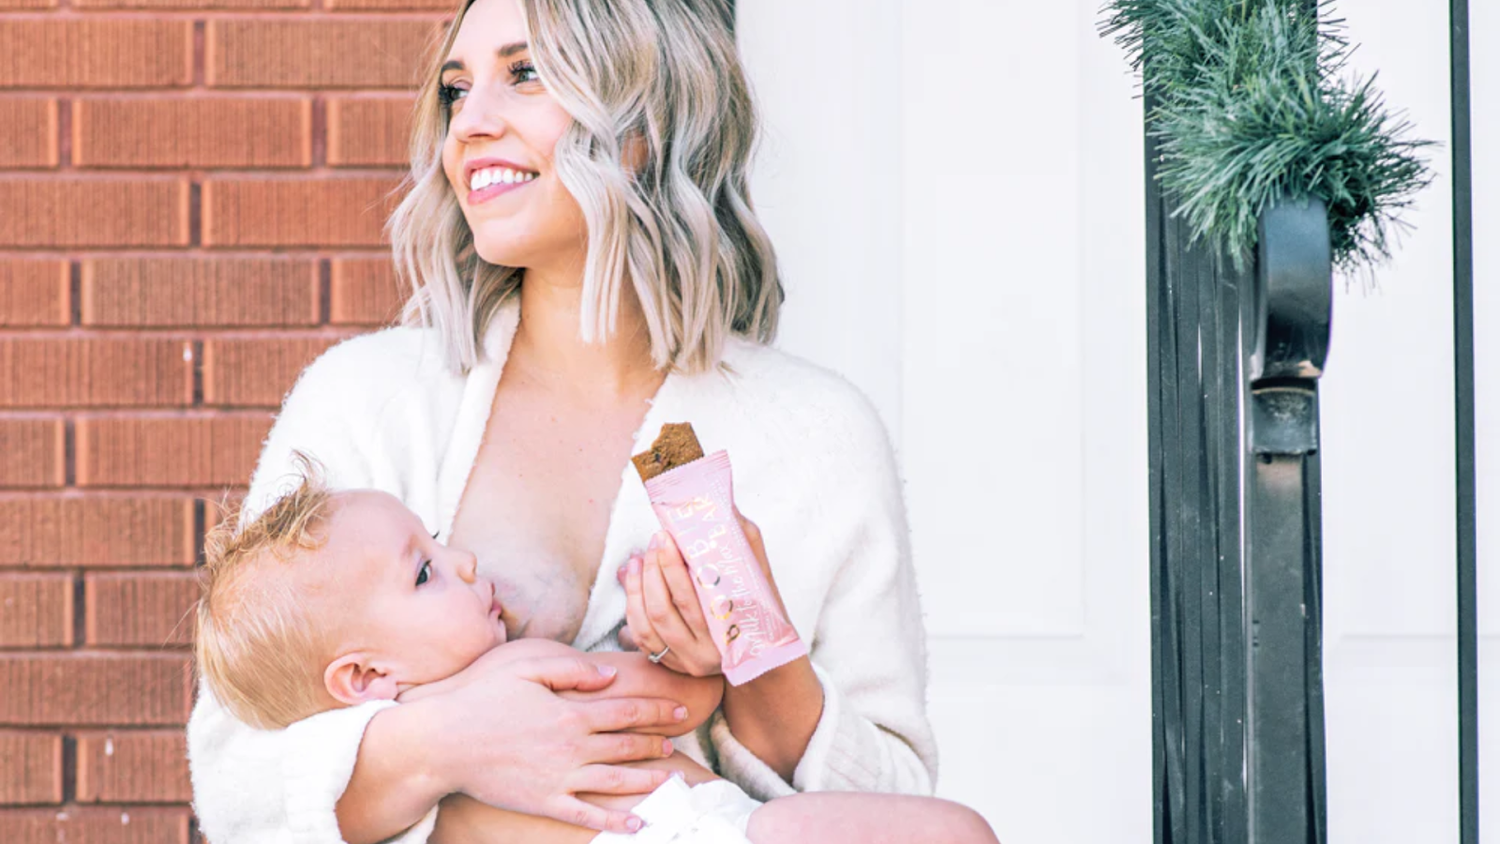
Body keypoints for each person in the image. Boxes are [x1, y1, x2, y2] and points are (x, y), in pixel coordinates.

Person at [186, 0, 939, 841]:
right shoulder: (367, 398)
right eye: (455, 90)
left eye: (525, 74)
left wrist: (751, 655)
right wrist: (451, 743)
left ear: (647, 116)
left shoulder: (818, 434)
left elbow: (901, 797)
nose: (468, 124)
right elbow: (236, 783)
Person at [193, 472, 996, 844]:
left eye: (437, 535)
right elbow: (679, 706)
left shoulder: (389, 798)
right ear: (366, 678)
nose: (464, 560)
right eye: (427, 569)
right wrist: (684, 639)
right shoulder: (512, 677)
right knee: (956, 834)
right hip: (707, 834)